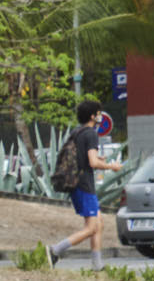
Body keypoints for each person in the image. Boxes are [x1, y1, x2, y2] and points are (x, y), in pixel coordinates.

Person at [49, 100, 115, 263]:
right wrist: (111, 166)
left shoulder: (77, 132)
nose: (100, 116)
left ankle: (97, 264)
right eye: (98, 113)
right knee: (91, 228)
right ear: (93, 116)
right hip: (84, 184)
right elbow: (93, 163)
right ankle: (55, 250)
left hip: (77, 183)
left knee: (98, 223)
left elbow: (82, 157)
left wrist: (98, 157)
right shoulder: (91, 133)